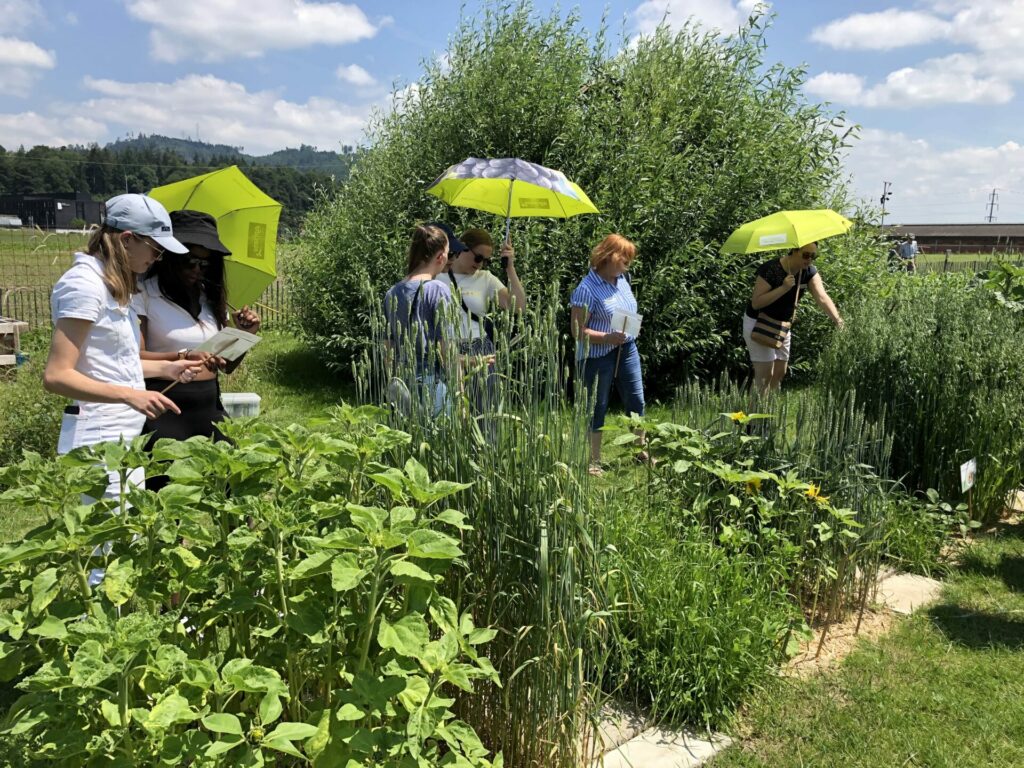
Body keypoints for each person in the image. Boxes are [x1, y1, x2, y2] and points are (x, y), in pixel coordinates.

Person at [43, 194, 201, 581]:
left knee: (122, 549)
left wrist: (171, 365)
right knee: (105, 558)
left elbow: (120, 362)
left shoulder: (115, 288)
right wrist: (133, 394)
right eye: (154, 249)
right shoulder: (83, 286)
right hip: (97, 437)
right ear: (126, 239)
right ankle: (94, 636)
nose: (157, 259)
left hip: (122, 436)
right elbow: (58, 375)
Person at [134, 209, 261, 491]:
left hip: (210, 405)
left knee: (235, 492)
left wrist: (242, 335)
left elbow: (226, 366)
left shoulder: (209, 299)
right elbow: (134, 357)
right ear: (168, 257)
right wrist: (182, 355)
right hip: (165, 407)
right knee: (168, 499)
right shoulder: (145, 294)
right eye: (189, 261)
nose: (197, 270)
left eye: (206, 264)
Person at [570, 234, 647, 475]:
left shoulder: (623, 279)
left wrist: (631, 328)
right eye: (625, 259)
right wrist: (606, 337)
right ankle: (594, 461)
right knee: (597, 405)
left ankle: (640, 451)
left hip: (627, 349)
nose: (628, 264)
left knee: (636, 399)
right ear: (610, 257)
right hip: (597, 355)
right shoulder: (586, 289)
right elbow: (576, 330)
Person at [743, 241, 843, 395]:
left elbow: (822, 297)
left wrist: (838, 321)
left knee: (779, 372)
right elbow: (756, 303)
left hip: (782, 325)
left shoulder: (808, 272)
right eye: (806, 255)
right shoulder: (771, 269)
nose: (809, 259)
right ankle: (753, 418)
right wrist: (783, 288)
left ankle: (768, 413)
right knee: (764, 376)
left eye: (813, 256)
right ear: (794, 251)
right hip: (759, 323)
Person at [383, 224, 456, 417]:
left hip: (402, 383)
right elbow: (446, 349)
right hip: (432, 383)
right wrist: (460, 392)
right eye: (448, 252)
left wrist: (392, 383)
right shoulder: (438, 289)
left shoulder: (392, 292)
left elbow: (388, 349)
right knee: (439, 443)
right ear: (440, 256)